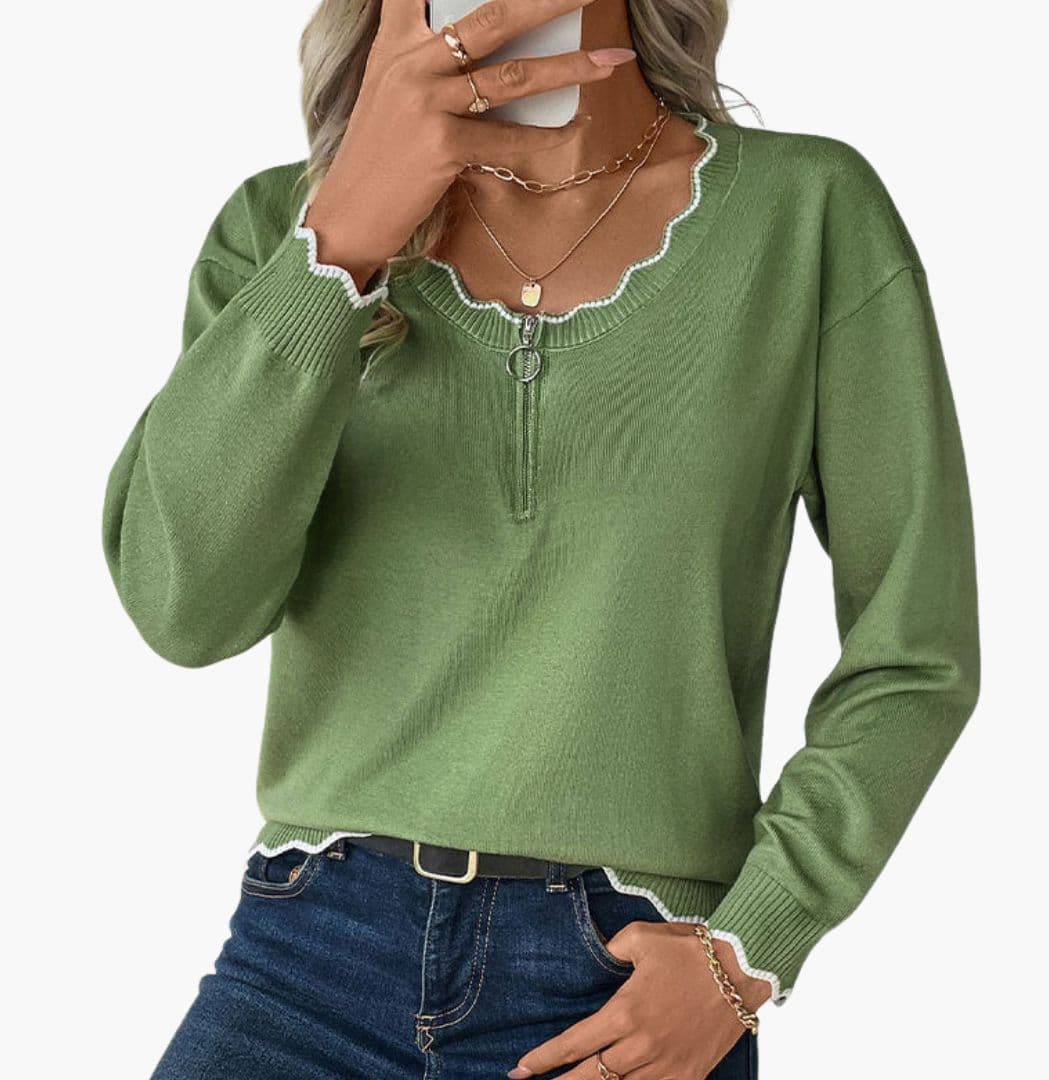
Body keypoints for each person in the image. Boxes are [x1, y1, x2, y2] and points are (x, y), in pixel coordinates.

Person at [101, 1, 981, 1077]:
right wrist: (339, 248)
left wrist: (750, 949)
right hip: (310, 947)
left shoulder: (805, 214)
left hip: (621, 982)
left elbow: (915, 651)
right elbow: (183, 609)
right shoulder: (277, 229)